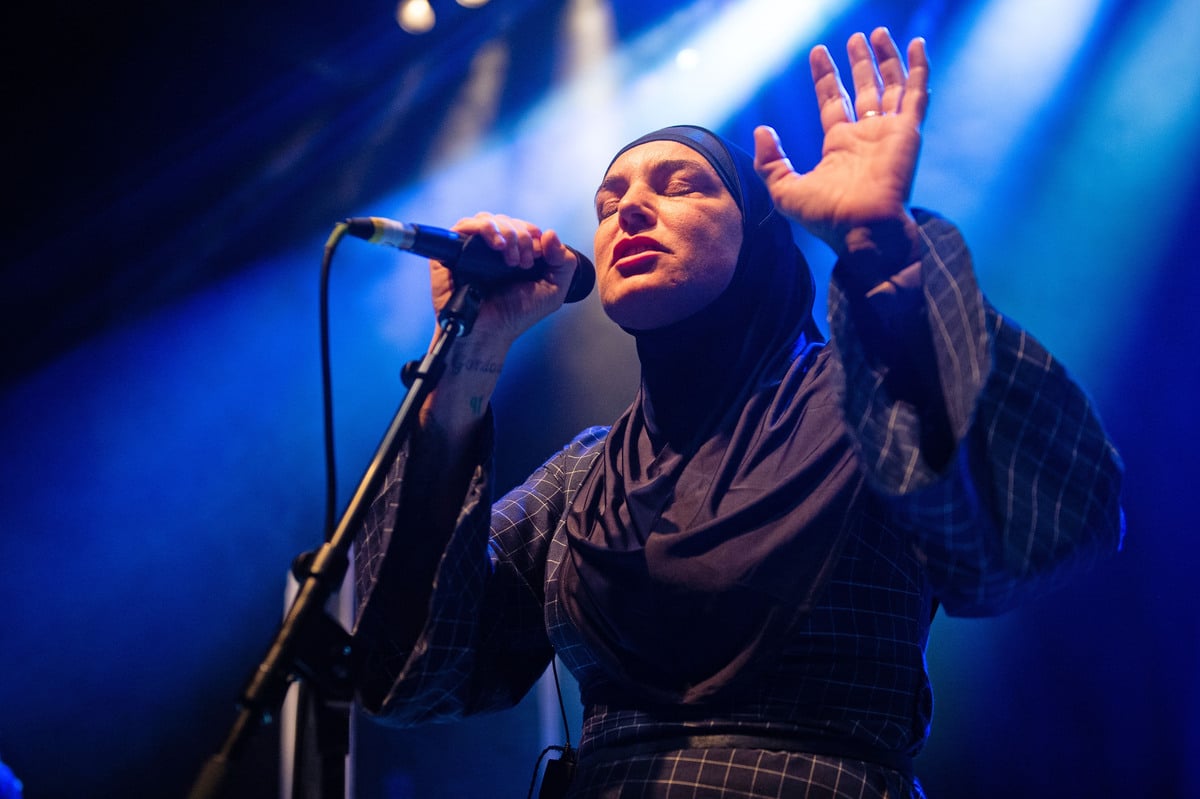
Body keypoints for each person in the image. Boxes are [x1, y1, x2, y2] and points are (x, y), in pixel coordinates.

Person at [351, 27, 1124, 798]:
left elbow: (1047, 521)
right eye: (609, 200)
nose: (629, 211)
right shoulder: (587, 473)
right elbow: (415, 672)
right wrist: (467, 360)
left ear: (758, 233)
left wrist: (879, 249)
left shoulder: (866, 402)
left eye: (678, 184)